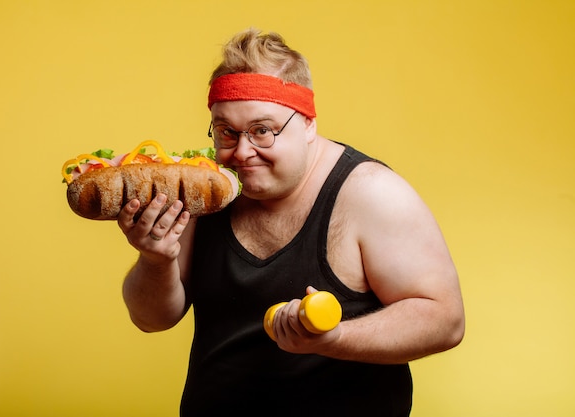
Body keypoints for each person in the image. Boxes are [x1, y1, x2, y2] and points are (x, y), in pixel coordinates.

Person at [118, 28, 465, 417]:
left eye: (263, 131)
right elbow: (151, 320)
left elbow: (444, 320)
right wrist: (155, 258)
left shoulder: (371, 194)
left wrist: (333, 339)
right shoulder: (203, 191)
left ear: (309, 123)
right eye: (227, 132)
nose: (242, 152)